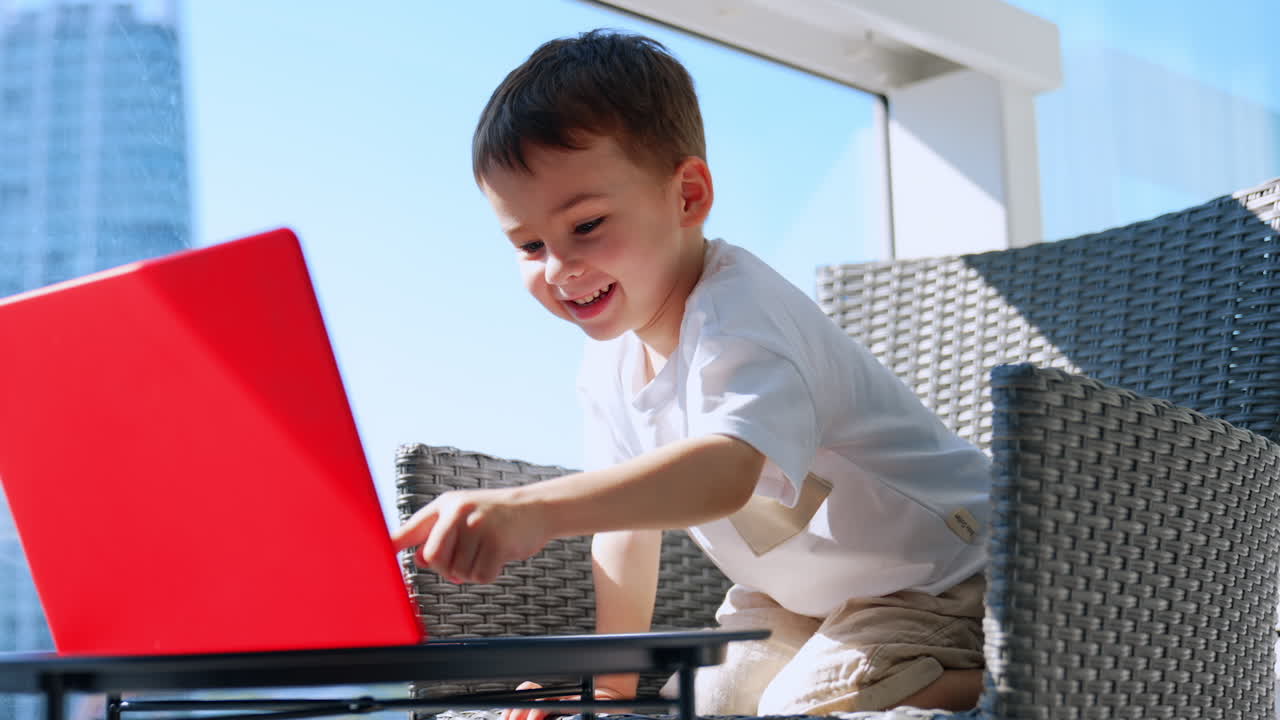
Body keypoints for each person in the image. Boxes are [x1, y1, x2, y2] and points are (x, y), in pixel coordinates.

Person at [392, 29, 992, 715]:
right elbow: (626, 531)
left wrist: (535, 508)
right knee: (709, 706)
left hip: (945, 583)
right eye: (530, 244)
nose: (559, 268)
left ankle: (1010, 679)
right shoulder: (608, 364)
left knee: (796, 710)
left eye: (585, 225)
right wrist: (609, 685)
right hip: (806, 603)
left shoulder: (741, 313)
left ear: (688, 196)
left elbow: (723, 473)